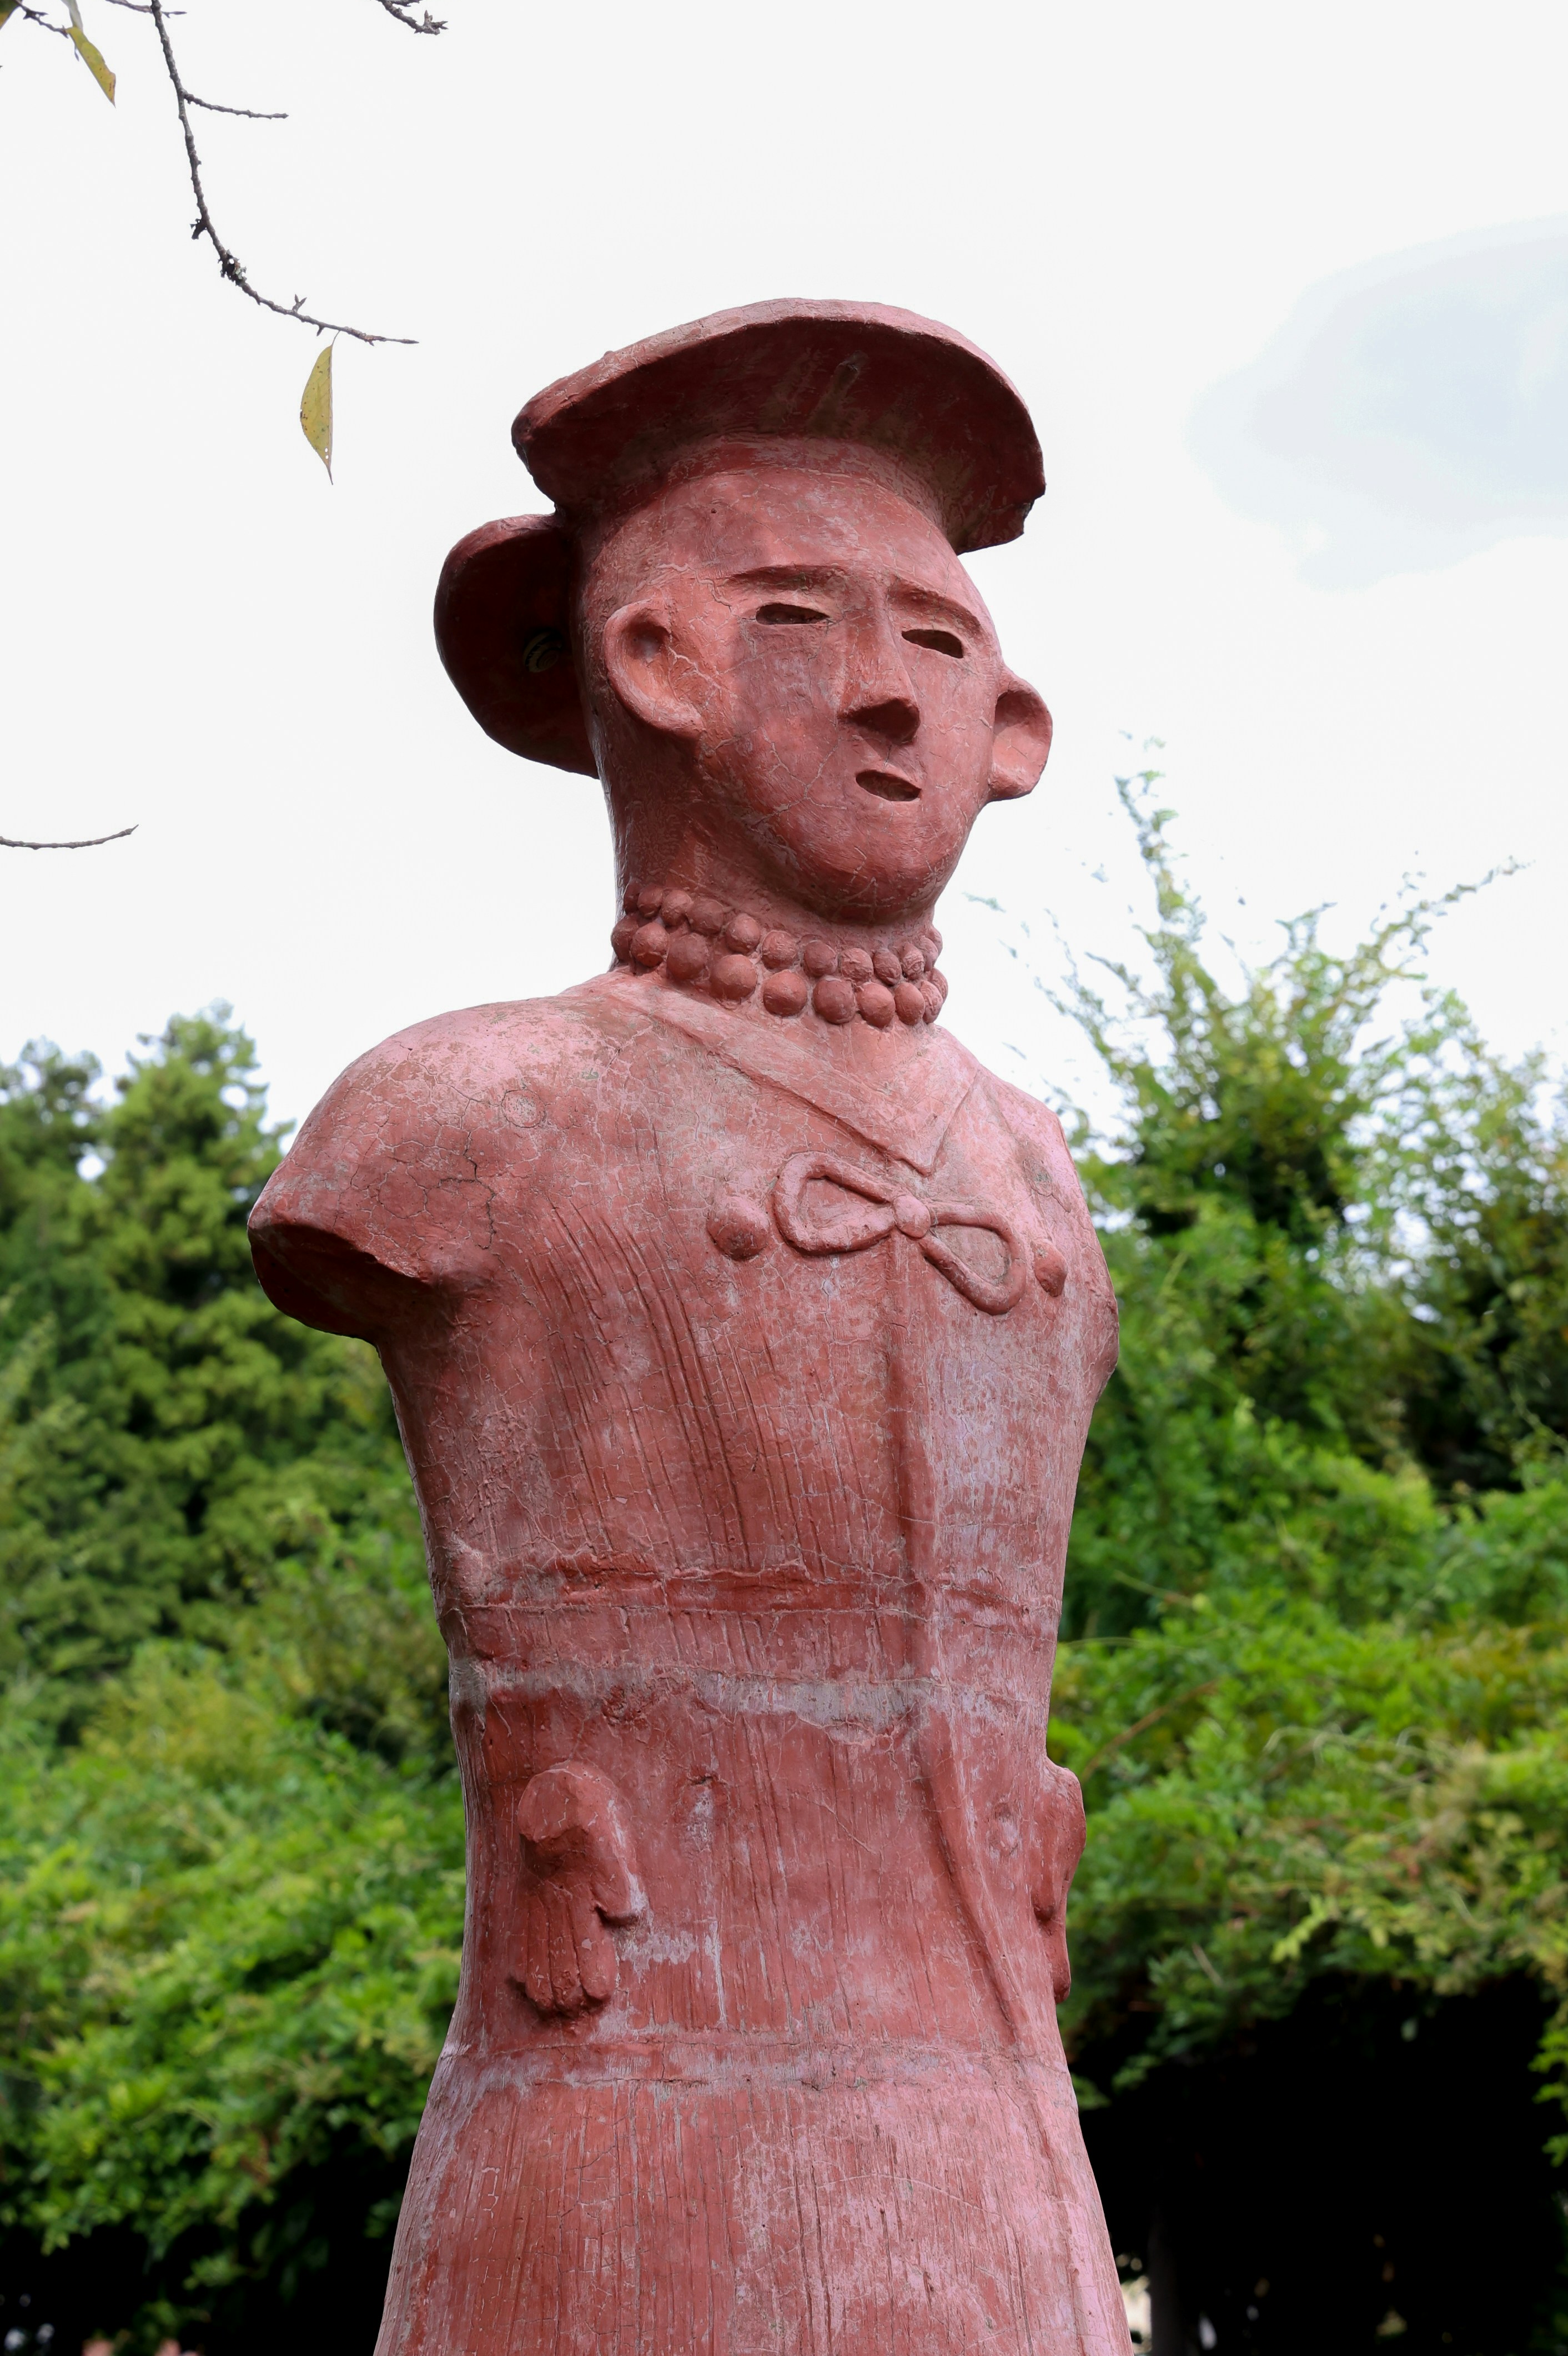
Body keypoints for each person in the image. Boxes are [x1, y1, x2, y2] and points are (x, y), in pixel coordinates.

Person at [249, 298, 1130, 2356]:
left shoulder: (1038, 1179)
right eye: (805, 623)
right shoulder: (461, 1120)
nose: (892, 702)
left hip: (1004, 2165)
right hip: (616, 2130)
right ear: (656, 669)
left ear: (1015, 729)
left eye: (937, 640)